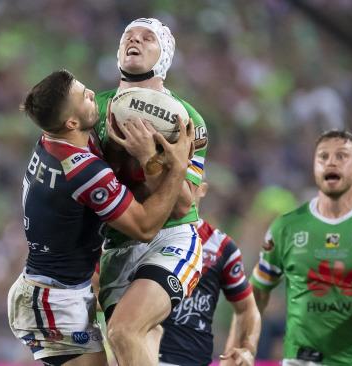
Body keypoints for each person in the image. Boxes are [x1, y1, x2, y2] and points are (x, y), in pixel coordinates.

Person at [8, 69, 193, 366]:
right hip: (52, 300)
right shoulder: (81, 170)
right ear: (71, 122)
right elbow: (145, 226)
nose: (93, 94)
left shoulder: (55, 139)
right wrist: (177, 168)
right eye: (84, 96)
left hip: (58, 290)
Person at [249, 130, 352, 366]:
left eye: (341, 156)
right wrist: (244, 344)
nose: (331, 162)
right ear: (314, 167)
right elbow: (256, 292)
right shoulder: (287, 226)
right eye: (323, 157)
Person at [94, 18, 208, 366]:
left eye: (147, 38)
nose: (135, 41)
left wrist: (148, 158)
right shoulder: (93, 109)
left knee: (123, 332)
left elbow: (183, 203)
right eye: (128, 36)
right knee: (132, 348)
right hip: (115, 246)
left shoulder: (187, 119)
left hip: (171, 239)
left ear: (164, 56)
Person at [158, 179, 261, 366]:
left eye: (187, 183)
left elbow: (247, 309)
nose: (180, 190)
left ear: (202, 189)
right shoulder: (138, 234)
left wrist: (246, 348)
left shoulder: (221, 246)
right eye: (173, 180)